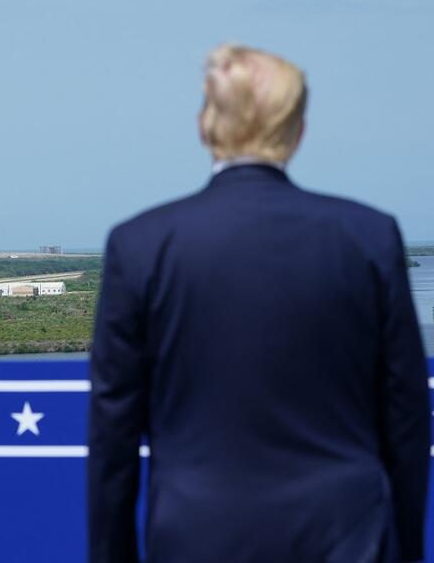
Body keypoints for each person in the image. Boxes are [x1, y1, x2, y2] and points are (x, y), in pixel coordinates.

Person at [88, 45, 429, 563]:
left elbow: (113, 438)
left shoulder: (139, 246)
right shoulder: (369, 238)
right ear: (297, 132)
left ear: (205, 125)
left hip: (197, 536)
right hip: (348, 535)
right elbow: (406, 419)